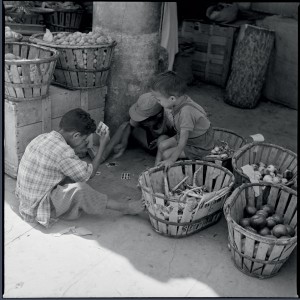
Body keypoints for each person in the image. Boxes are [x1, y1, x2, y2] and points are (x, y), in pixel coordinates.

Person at [15, 108, 144, 228]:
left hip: (25, 200)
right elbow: (89, 173)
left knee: (71, 176)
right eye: (84, 139)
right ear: (76, 135)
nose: (85, 143)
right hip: (38, 208)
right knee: (81, 190)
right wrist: (103, 145)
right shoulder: (63, 152)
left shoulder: (42, 137)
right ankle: (126, 208)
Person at [150, 71, 215, 169]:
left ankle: (166, 172)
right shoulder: (181, 100)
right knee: (162, 145)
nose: (158, 102)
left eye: (159, 100)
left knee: (167, 155)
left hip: (199, 145)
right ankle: (154, 169)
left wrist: (171, 160)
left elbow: (183, 141)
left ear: (172, 99)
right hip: (189, 137)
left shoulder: (186, 112)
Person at [94, 92, 175, 163]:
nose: (142, 123)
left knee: (162, 139)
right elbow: (130, 125)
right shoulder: (144, 109)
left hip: (161, 147)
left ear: (158, 116)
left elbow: (179, 141)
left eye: (145, 121)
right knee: (124, 126)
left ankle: (157, 166)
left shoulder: (170, 119)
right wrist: (124, 142)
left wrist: (161, 143)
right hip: (149, 142)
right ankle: (103, 155)